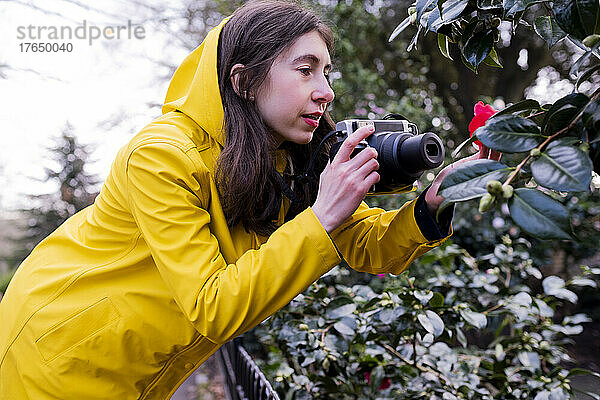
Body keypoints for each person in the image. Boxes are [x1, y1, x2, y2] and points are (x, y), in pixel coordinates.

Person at [0, 1, 500, 399]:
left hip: (136, 364)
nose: (325, 91)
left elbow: (366, 243)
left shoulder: (287, 159)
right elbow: (213, 305)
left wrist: (435, 200)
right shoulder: (160, 157)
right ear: (242, 80)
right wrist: (323, 215)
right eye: (305, 70)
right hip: (56, 355)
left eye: (327, 73)